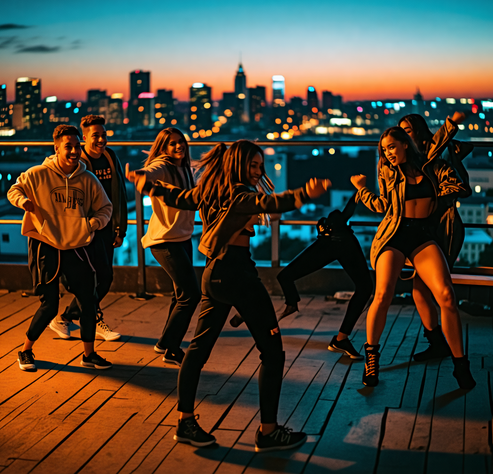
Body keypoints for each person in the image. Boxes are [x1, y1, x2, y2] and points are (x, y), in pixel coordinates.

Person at [127, 140, 331, 452]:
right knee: (272, 352)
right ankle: (269, 432)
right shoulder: (241, 194)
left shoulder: (210, 191)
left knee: (197, 349)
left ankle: (185, 421)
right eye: (253, 165)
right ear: (237, 164)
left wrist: (147, 186)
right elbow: (273, 204)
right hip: (238, 276)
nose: (258, 171)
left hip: (214, 275)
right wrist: (305, 195)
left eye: (260, 166)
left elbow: (178, 197)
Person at [351, 126, 475, 389]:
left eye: (392, 147)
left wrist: (451, 130)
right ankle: (371, 358)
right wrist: (361, 190)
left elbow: (460, 188)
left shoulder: (434, 167)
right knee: (383, 294)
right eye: (384, 150)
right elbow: (383, 206)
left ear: (406, 144)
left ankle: (460, 364)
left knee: (447, 296)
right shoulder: (387, 171)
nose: (388, 153)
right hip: (394, 234)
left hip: (422, 235)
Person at [7, 125, 113, 371]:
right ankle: (25, 350)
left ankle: (89, 355)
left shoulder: (87, 179)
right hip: (46, 244)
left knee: (89, 300)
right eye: (69, 146)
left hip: (77, 244)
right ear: (56, 148)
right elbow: (15, 189)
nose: (75, 151)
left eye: (77, 146)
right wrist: (25, 203)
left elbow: (105, 207)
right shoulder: (37, 173)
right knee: (50, 304)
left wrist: (93, 224)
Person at [230, 192, 372, 360]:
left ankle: (337, 336)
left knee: (285, 277)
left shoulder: (332, 232)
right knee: (365, 288)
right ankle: (340, 338)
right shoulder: (339, 232)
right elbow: (348, 210)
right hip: (338, 241)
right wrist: (359, 191)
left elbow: (348, 210)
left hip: (331, 241)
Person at [397, 113, 472, 361]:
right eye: (401, 131)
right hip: (423, 230)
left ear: (418, 131)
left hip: (443, 227)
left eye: (408, 130)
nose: (404, 135)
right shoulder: (408, 161)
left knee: (440, 290)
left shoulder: (434, 156)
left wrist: (451, 123)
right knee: (419, 290)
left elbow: (435, 150)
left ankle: (448, 347)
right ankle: (437, 341)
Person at [49, 115, 127, 342]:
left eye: (104, 134)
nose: (102, 139)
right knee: (96, 279)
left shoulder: (111, 157)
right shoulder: (78, 160)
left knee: (105, 278)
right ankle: (92, 319)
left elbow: (119, 192)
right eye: (96, 136)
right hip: (87, 230)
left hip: (107, 226)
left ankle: (66, 317)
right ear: (84, 138)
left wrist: (120, 228)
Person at [131, 127, 200, 365]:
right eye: (172, 143)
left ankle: (164, 343)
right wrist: (140, 176)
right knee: (191, 294)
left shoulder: (187, 169)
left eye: (181, 141)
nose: (179, 146)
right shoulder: (163, 165)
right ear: (162, 148)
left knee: (181, 294)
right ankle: (171, 347)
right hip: (164, 242)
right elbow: (151, 171)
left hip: (182, 238)